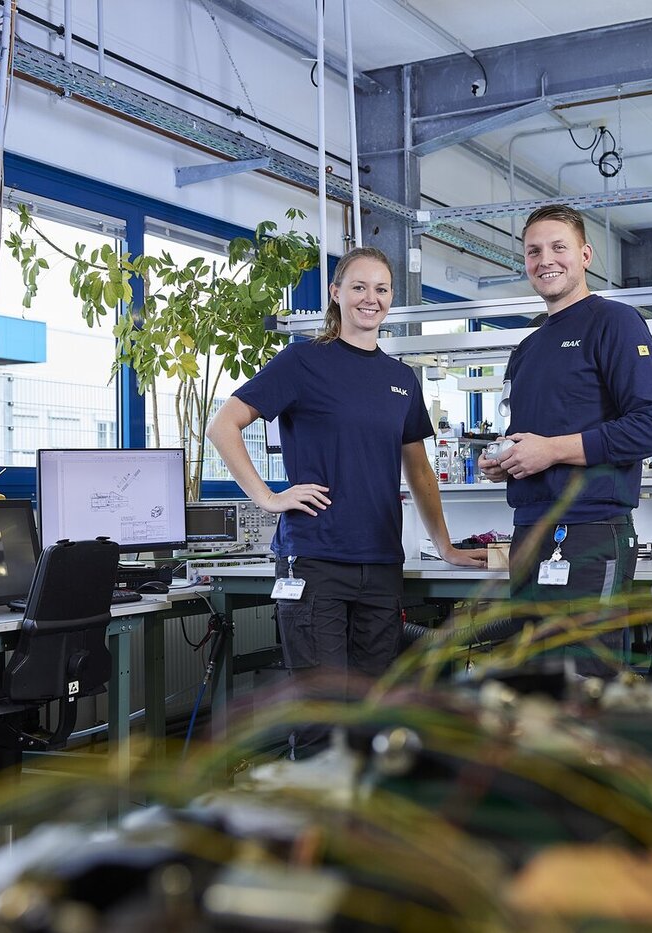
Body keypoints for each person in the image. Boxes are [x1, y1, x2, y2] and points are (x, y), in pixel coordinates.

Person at [207, 246, 484, 752]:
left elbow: (418, 468)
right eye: (358, 287)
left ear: (391, 298)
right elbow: (223, 424)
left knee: (371, 712)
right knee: (319, 717)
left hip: (379, 564)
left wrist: (444, 545)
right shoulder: (303, 361)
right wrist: (267, 498)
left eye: (381, 289)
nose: (369, 299)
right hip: (315, 563)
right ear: (335, 293)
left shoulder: (400, 379)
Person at [477, 204, 652, 670]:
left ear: (585, 255)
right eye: (534, 251)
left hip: (588, 535)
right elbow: (531, 437)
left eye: (558, 247)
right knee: (536, 685)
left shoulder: (615, 323)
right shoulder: (526, 348)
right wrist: (505, 460)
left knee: (588, 681)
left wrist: (550, 451)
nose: (546, 259)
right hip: (528, 534)